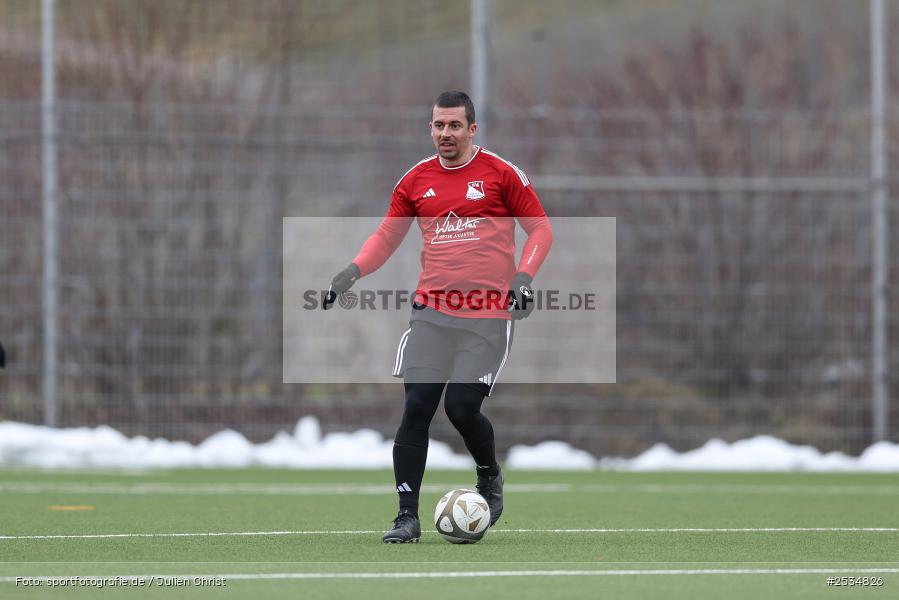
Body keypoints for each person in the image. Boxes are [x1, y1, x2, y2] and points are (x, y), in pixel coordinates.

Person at [325, 91, 552, 543]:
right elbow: (387, 236)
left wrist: (524, 278)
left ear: (472, 129)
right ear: (430, 128)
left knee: (461, 408)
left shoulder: (501, 174)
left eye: (454, 125)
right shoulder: (415, 180)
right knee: (417, 406)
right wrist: (353, 271)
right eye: (438, 125)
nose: (445, 133)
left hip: (488, 314)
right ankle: (406, 517)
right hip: (431, 312)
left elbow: (540, 228)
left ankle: (489, 474)